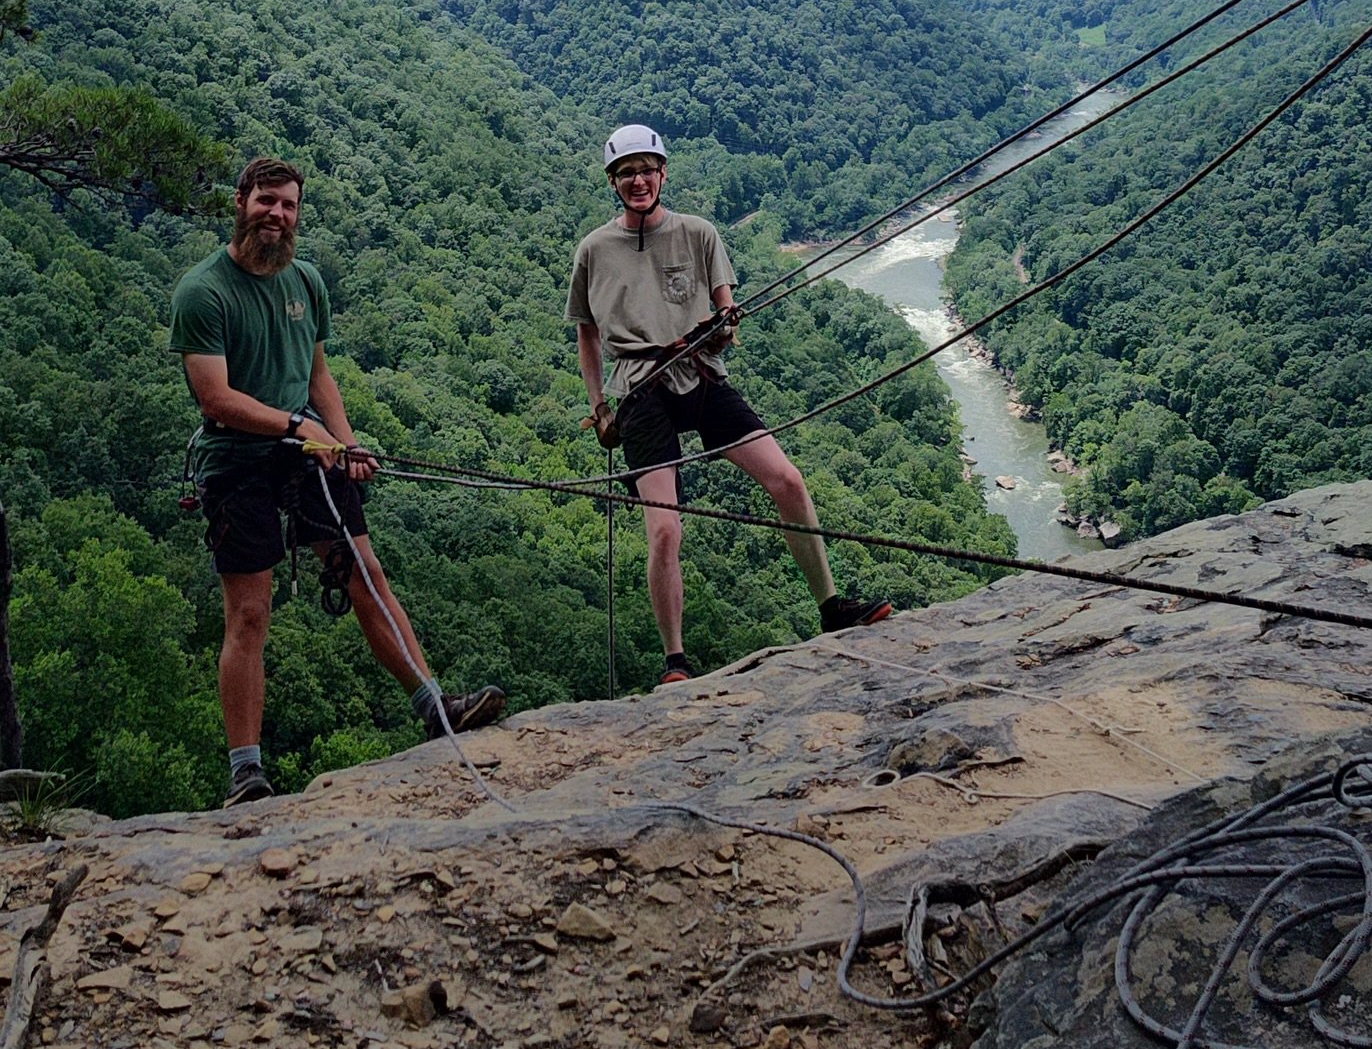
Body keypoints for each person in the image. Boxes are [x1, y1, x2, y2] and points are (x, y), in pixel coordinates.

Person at [170, 156, 505, 808]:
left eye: (289, 205)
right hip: (236, 462)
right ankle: (246, 772)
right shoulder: (202, 291)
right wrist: (301, 428)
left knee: (365, 575)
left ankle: (437, 708)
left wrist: (344, 440)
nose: (278, 215)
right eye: (267, 201)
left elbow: (318, 374)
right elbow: (216, 399)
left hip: (308, 450)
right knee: (248, 613)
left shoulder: (306, 283)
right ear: (240, 202)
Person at [567, 125, 891, 687]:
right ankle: (675, 661)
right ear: (614, 183)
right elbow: (587, 334)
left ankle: (832, 606)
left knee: (787, 480)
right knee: (665, 530)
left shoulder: (698, 233)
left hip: (701, 373)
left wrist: (721, 329)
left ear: (663, 174)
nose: (638, 180)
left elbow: (725, 307)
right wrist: (599, 406)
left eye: (647, 170)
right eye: (627, 173)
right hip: (641, 391)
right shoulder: (594, 250)